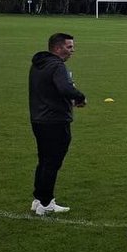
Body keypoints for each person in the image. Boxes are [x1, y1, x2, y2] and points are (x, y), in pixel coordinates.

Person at [29, 32, 86, 216]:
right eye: (69, 47)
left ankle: (39, 199)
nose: (72, 51)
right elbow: (64, 88)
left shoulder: (39, 65)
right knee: (52, 162)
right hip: (55, 120)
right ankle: (46, 203)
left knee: (44, 160)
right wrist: (79, 97)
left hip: (39, 119)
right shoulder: (57, 66)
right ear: (57, 47)